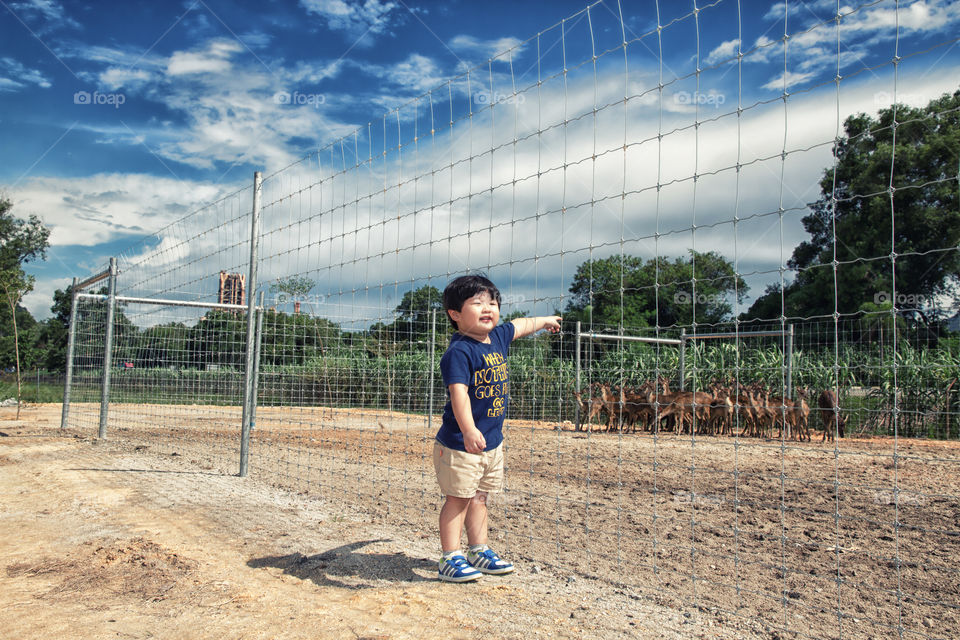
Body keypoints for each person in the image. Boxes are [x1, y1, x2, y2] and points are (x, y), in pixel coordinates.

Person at [434, 274, 561, 582]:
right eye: (477, 303)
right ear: (455, 314)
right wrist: (468, 429)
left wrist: (544, 320)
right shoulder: (460, 351)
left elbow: (518, 325)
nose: (488, 307)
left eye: (492, 302)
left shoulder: (498, 338)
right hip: (461, 443)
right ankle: (451, 557)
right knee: (458, 499)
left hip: (491, 442)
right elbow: (459, 393)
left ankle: (478, 550)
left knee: (480, 497)